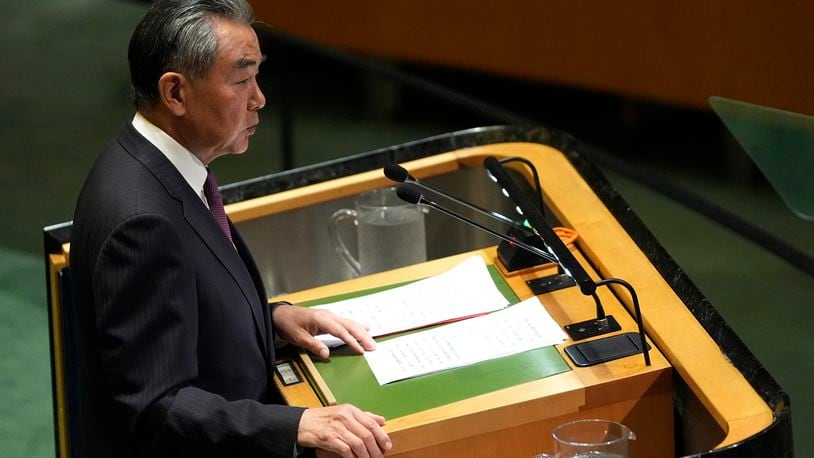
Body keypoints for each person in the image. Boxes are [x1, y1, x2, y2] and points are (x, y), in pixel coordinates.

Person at [69, 1, 392, 456]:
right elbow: (157, 407)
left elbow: (183, 308)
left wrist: (271, 319)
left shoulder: (156, 164)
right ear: (175, 93)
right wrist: (296, 425)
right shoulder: (142, 220)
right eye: (242, 80)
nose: (259, 98)